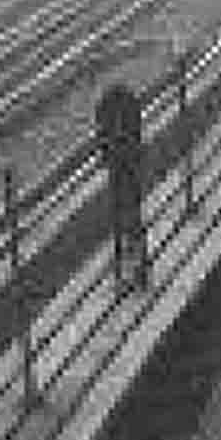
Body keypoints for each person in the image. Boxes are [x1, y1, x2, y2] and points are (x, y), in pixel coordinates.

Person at [94, 69, 150, 291]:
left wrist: (107, 153)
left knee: (122, 212)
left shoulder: (106, 105)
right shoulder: (126, 101)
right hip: (129, 160)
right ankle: (136, 265)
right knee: (132, 211)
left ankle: (129, 266)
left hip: (118, 164)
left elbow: (103, 138)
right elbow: (134, 131)